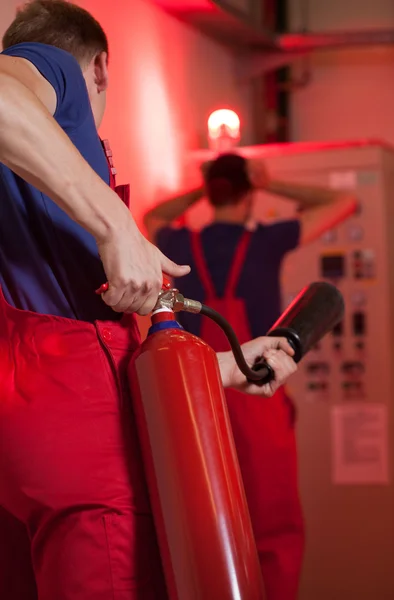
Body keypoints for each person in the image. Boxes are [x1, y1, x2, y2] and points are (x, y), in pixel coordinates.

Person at [0, 2, 298, 599]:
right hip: (77, 440)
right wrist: (114, 223)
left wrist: (217, 370)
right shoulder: (54, 67)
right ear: (102, 68)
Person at [144, 153, 357, 600]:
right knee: (273, 525)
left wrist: (208, 188)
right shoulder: (267, 240)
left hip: (198, 391)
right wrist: (267, 183)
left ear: (214, 191)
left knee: (201, 513)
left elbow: (153, 214)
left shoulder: (178, 243)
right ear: (248, 194)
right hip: (259, 388)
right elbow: (343, 201)